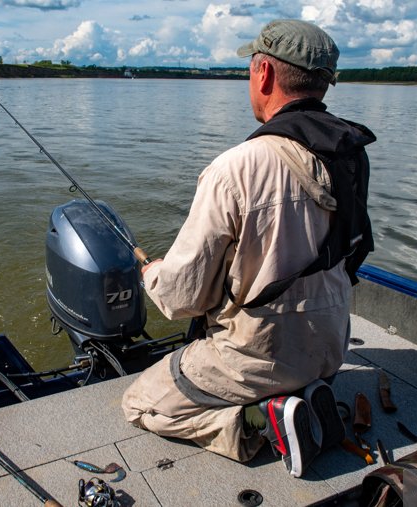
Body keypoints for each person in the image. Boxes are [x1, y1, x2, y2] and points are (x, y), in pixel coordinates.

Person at [122, 19, 376, 477]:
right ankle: (304, 396)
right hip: (329, 348)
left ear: (264, 75)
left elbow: (182, 300)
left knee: (140, 404)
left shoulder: (235, 168)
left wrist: (152, 274)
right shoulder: (351, 154)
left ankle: (261, 420)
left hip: (260, 358)